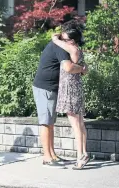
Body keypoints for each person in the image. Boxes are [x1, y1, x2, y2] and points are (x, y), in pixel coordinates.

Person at [32, 21, 88, 168]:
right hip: (45, 87)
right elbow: (68, 67)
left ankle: (53, 155)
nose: (65, 41)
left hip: (54, 87)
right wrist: (82, 68)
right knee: (46, 122)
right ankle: (47, 157)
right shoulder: (61, 47)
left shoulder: (63, 45)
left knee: (50, 122)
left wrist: (56, 38)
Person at [52, 24, 89, 169]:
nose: (64, 40)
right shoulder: (78, 50)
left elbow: (55, 40)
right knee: (80, 123)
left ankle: (80, 156)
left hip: (70, 89)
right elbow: (85, 70)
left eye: (66, 38)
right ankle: (84, 153)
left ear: (73, 40)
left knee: (76, 125)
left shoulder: (72, 49)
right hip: (76, 87)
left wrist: (56, 38)